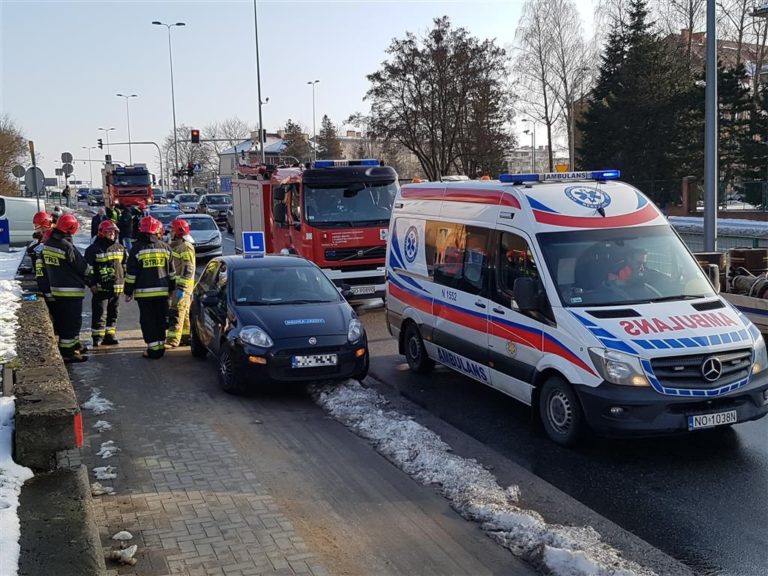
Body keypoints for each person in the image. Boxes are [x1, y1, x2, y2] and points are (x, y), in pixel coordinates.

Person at [124, 216, 175, 359]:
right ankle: (160, 346)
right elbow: (172, 273)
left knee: (148, 320)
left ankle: (153, 349)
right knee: (160, 319)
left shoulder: (136, 249)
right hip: (163, 293)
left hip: (144, 294)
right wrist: (172, 289)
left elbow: (131, 274)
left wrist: (128, 292)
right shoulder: (166, 248)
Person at [43, 213, 89, 363]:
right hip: (71, 291)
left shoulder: (49, 243)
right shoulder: (66, 246)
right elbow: (81, 266)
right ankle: (68, 352)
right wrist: (93, 277)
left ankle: (74, 345)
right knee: (72, 323)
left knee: (65, 321)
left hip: (57, 289)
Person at [85, 220, 126, 347]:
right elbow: (88, 270)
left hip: (117, 288)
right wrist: (91, 284)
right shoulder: (93, 249)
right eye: (109, 231)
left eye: (114, 232)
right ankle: (97, 337)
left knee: (113, 313)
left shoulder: (120, 248)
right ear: (102, 233)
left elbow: (124, 265)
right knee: (100, 314)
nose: (112, 234)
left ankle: (110, 335)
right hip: (100, 288)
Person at [165, 218, 195, 348]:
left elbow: (188, 268)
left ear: (178, 231)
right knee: (185, 311)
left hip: (182, 286)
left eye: (172, 230)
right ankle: (186, 336)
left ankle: (173, 340)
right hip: (179, 286)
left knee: (176, 311)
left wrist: (182, 287)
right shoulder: (178, 245)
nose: (169, 232)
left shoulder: (185, 247)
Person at [27, 211, 56, 329]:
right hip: (44, 279)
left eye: (37, 226)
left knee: (55, 309)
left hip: (51, 280)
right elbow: (34, 249)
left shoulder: (51, 236)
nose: (36, 229)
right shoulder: (44, 235)